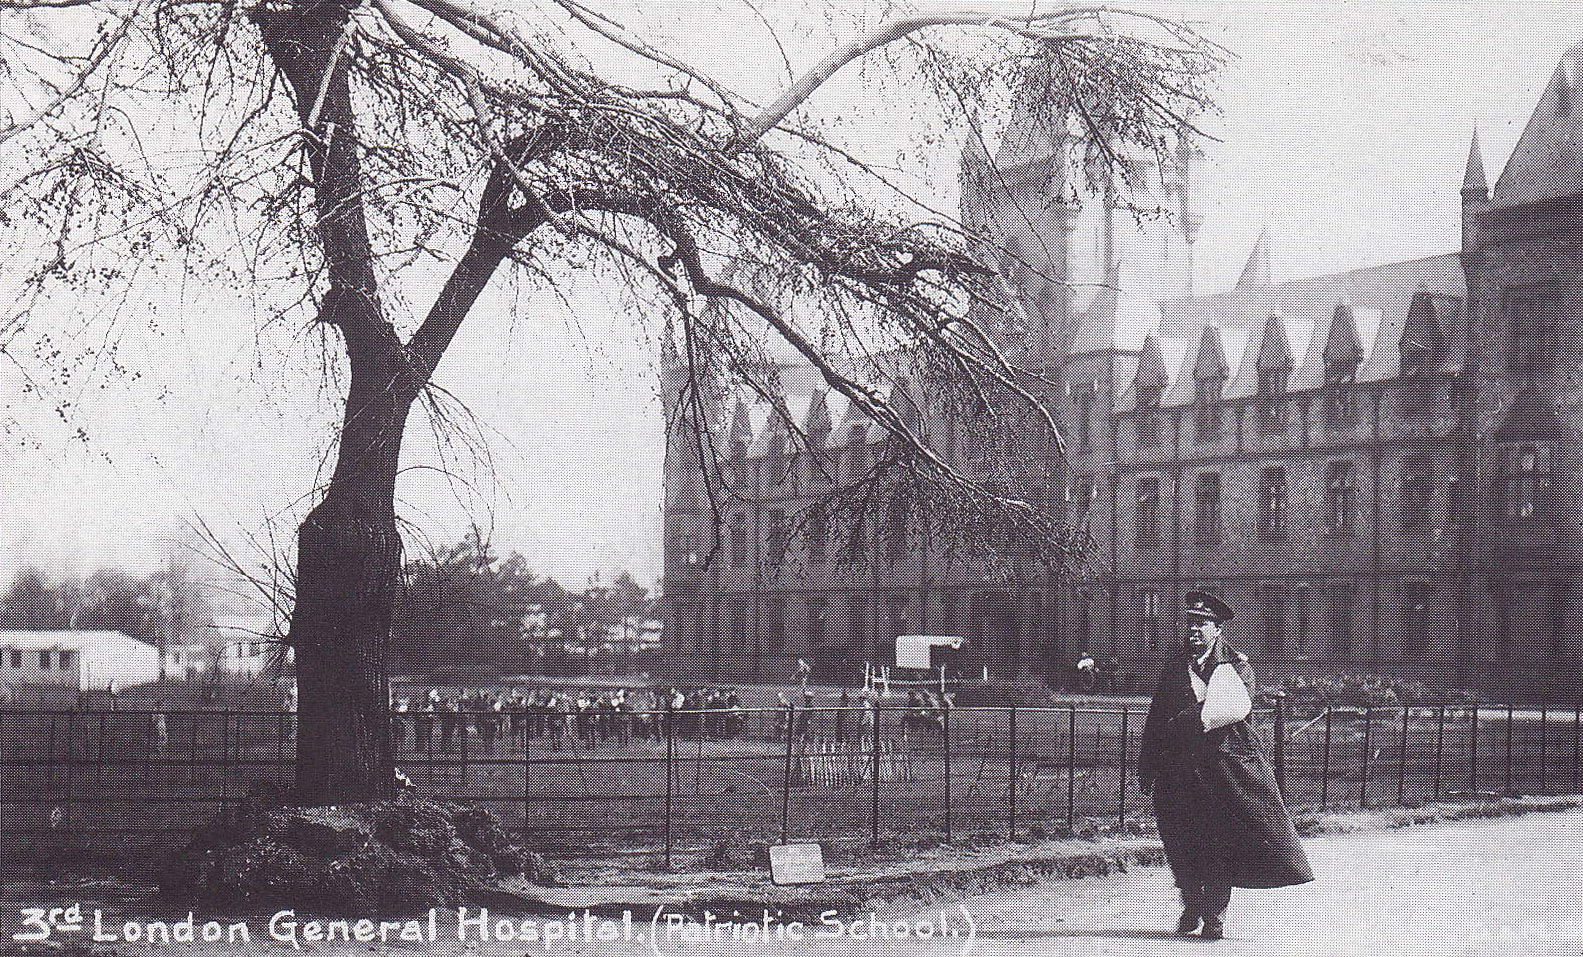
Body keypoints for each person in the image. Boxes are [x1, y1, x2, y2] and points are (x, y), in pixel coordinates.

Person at [1137, 592, 1313, 941]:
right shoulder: (1175, 667)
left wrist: (1182, 721)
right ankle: (1192, 901)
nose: (1193, 631)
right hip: (1178, 771)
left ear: (1217, 629)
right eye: (1189, 624)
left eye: (1201, 625)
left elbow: (1229, 710)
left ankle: (1214, 915)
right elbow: (1156, 719)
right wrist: (1148, 765)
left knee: (1216, 842)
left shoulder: (1235, 666)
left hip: (1221, 771)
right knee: (1178, 839)